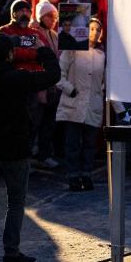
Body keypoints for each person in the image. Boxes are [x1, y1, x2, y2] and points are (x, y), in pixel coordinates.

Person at [0, 34, 61, 262]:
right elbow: (53, 75)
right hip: (14, 149)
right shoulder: (17, 77)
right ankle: (11, 252)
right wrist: (42, 50)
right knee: (16, 203)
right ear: (10, 54)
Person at [55, 19, 106, 191]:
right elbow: (58, 74)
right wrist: (70, 89)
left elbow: (106, 81)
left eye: (98, 29)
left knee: (90, 144)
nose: (95, 32)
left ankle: (87, 174)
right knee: (72, 143)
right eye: (91, 28)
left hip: (93, 105)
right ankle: (73, 176)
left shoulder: (102, 55)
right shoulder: (72, 50)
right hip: (73, 103)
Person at [29, 1, 61, 169]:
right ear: (41, 16)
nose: (53, 19)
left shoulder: (55, 35)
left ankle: (44, 154)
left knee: (48, 123)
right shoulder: (34, 33)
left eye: (55, 16)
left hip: (52, 85)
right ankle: (28, 155)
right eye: (50, 16)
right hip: (39, 85)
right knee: (34, 122)